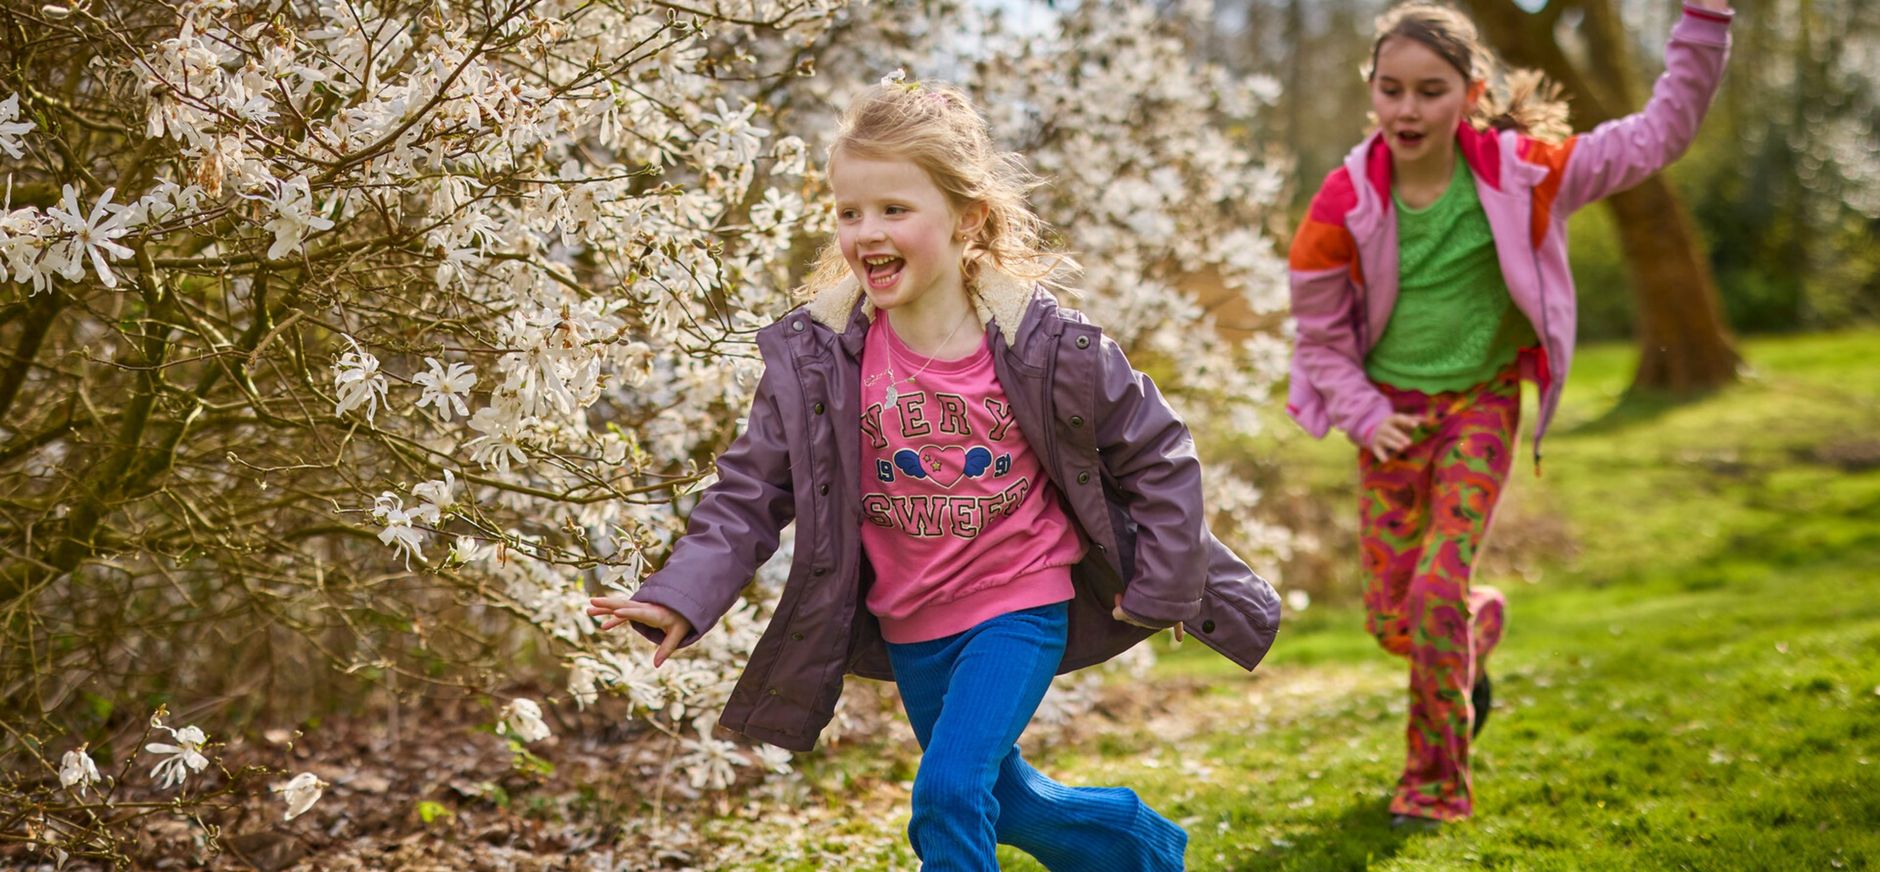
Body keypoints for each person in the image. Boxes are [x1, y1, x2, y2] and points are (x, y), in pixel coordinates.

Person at [589, 78, 1281, 870]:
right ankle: (1134, 843)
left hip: (1019, 603)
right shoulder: (823, 358)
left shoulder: (1046, 345)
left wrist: (1163, 580)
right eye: (849, 212)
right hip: (912, 619)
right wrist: (680, 594)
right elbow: (750, 489)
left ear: (967, 219)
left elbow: (1158, 454)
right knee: (1003, 799)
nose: (866, 231)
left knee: (948, 793)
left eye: (893, 209)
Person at [1285, 0, 1734, 826]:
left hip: (1480, 407)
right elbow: (1317, 340)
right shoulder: (1341, 204)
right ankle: (1475, 620)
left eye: (1430, 90)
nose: (1408, 110)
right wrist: (1362, 412)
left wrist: (1703, 21)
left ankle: (1434, 785)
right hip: (1389, 420)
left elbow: (1658, 135)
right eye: (1391, 90)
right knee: (1396, 620)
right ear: (1372, 93)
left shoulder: (1524, 172)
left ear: (1471, 91)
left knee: (1433, 594)